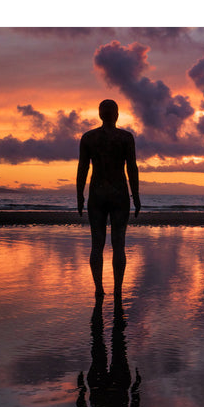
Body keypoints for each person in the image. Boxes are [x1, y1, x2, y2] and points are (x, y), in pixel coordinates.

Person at [76, 99, 140, 297]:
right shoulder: (125, 138)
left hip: (96, 195)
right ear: (117, 114)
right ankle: (118, 290)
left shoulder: (89, 138)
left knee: (97, 244)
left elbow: (83, 169)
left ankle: (99, 289)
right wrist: (136, 196)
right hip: (120, 194)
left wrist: (79, 195)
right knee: (118, 244)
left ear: (100, 114)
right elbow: (131, 169)